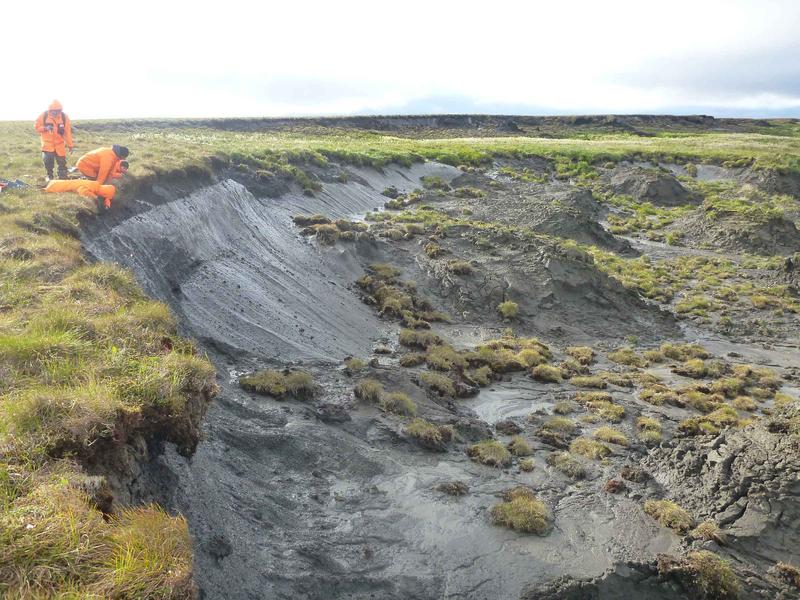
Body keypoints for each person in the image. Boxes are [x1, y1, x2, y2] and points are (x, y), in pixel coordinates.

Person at [34, 100, 73, 180]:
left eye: (57, 111)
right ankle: (49, 176)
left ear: (60, 110)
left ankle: (63, 177)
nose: (55, 113)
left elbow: (67, 132)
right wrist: (45, 128)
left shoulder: (64, 117)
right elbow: (37, 127)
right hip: (47, 144)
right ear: (50, 110)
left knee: (62, 162)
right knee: (48, 161)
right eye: (53, 111)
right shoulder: (44, 115)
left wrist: (70, 145)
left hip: (60, 144)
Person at [45, 178, 116, 208]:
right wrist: (94, 197)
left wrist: (107, 205)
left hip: (58, 182)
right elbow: (82, 190)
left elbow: (107, 199)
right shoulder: (93, 187)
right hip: (54, 186)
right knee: (62, 186)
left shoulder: (98, 186)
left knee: (66, 183)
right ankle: (46, 186)